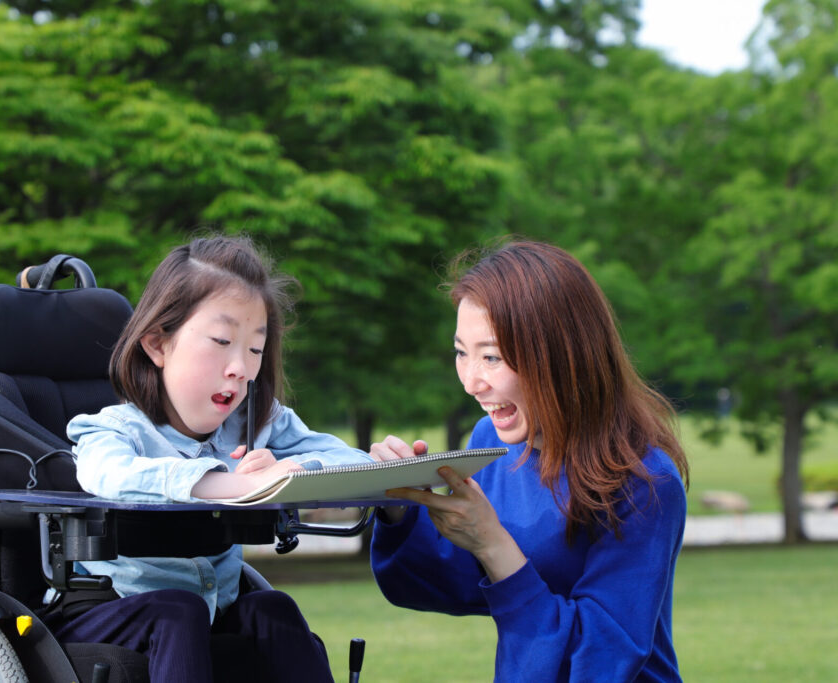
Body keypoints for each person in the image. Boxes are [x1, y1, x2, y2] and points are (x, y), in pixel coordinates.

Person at [53, 234, 373, 682]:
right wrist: (232, 484)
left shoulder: (256, 424)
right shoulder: (113, 429)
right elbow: (106, 475)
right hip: (110, 606)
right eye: (222, 341)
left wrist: (292, 473)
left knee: (273, 609)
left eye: (255, 349)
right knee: (176, 610)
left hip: (215, 608)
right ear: (157, 345)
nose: (241, 367)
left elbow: (350, 460)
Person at [369, 239, 689, 682]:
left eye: (492, 357)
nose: (471, 382)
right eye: (462, 353)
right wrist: (397, 504)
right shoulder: (493, 441)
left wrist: (494, 545)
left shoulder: (646, 483)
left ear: (560, 356)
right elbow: (457, 582)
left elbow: (597, 664)